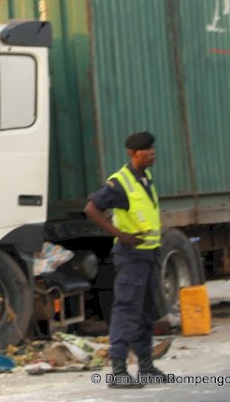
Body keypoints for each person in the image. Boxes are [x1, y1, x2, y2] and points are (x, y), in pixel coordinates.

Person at [84, 131, 166, 388]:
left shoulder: (145, 177)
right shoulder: (120, 183)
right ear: (133, 153)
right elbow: (91, 208)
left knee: (145, 311)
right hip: (131, 256)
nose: (152, 153)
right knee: (126, 310)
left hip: (149, 254)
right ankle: (118, 371)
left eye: (153, 148)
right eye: (146, 150)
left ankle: (146, 366)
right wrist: (121, 235)